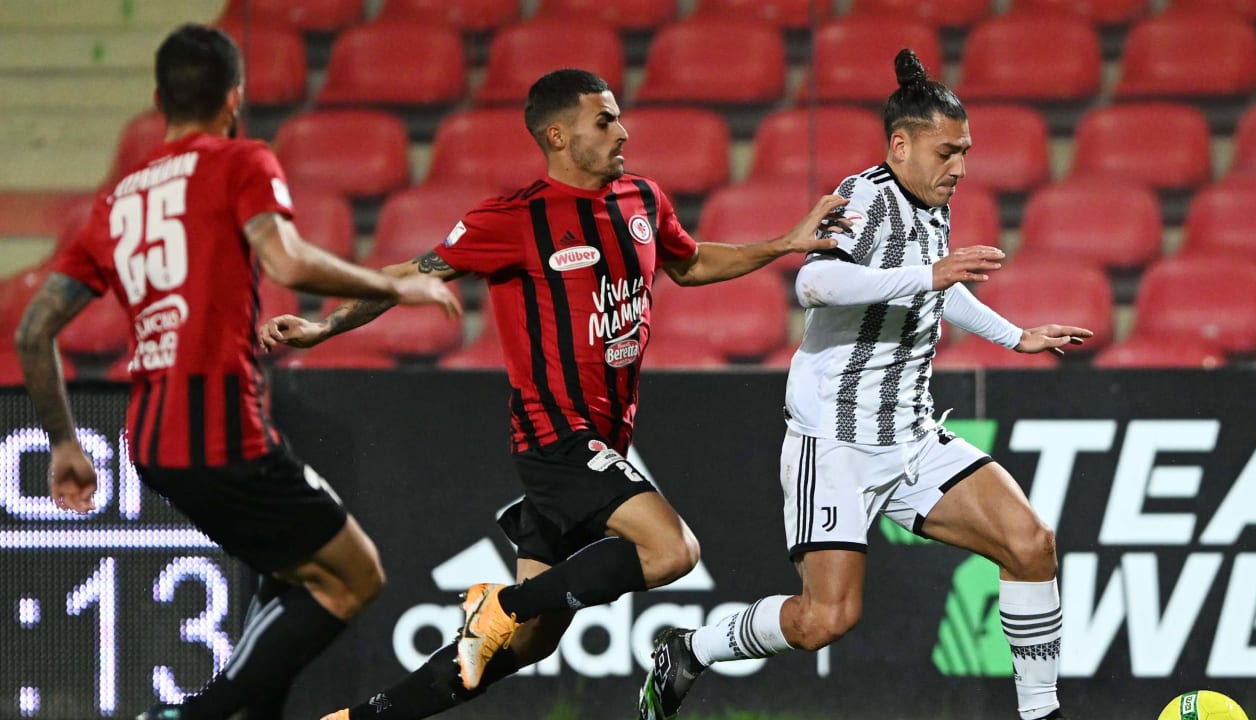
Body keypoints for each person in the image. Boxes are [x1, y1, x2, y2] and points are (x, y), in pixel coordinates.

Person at [256, 67, 850, 720]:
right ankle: (499, 605)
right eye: (605, 120)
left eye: (619, 116)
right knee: (671, 550)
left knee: (530, 645)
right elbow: (406, 273)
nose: (622, 130)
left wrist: (785, 243)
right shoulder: (515, 219)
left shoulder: (643, 201)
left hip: (605, 435)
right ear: (558, 135)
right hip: (555, 436)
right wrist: (322, 326)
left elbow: (691, 262)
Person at [13, 24, 461, 720]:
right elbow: (284, 260)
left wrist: (65, 443)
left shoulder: (118, 200)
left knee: (292, 573)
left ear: (158, 98)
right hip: (222, 430)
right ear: (234, 99)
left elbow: (33, 331)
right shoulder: (239, 160)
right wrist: (394, 285)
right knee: (353, 576)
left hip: (151, 442)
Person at [636, 49, 1091, 720]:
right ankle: (692, 647)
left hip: (910, 435)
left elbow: (937, 290)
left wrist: (1015, 335)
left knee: (1031, 544)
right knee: (826, 619)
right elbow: (814, 282)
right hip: (837, 443)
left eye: (964, 150)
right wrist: (928, 277)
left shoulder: (931, 202)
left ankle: (1041, 712)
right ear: (900, 145)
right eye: (946, 152)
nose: (960, 166)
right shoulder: (865, 198)